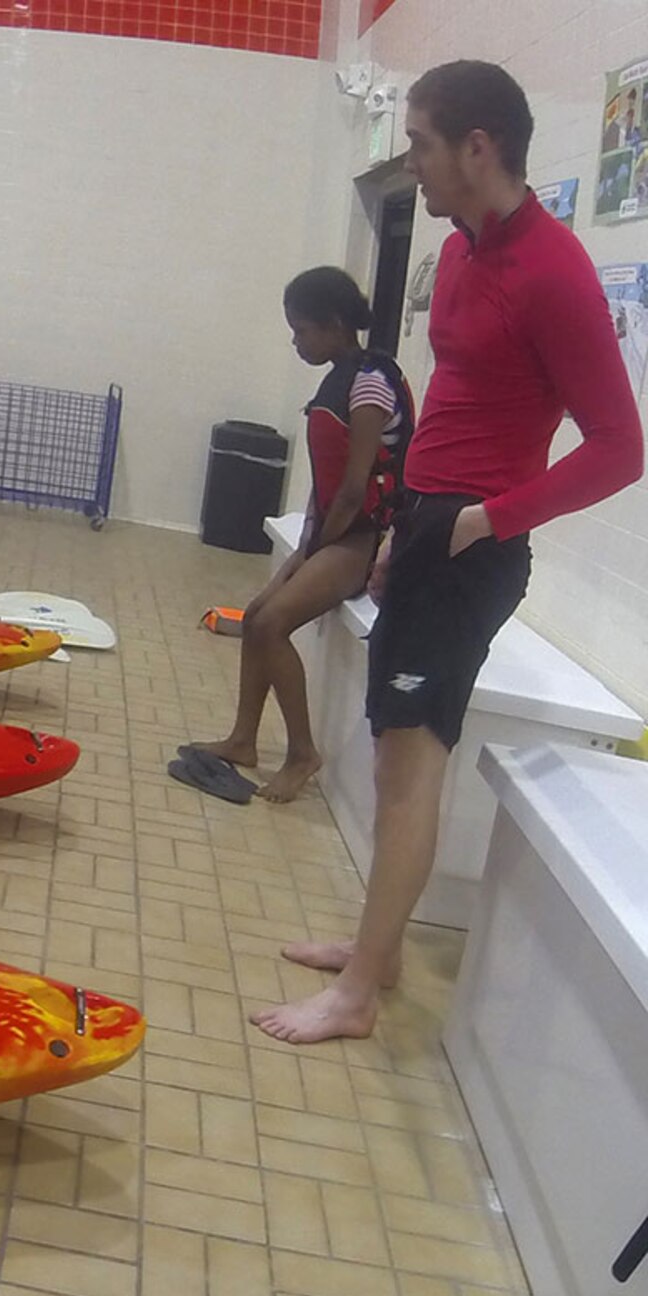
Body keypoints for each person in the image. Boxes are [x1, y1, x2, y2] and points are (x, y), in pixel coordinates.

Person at [254, 61, 644, 1045]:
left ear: (476, 147)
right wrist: (399, 527)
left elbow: (618, 449)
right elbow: (451, 409)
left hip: (471, 544)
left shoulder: (552, 271)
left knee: (409, 771)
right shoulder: (466, 255)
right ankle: (372, 954)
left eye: (419, 142)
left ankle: (356, 999)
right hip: (427, 528)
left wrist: (482, 521)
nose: (409, 164)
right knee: (391, 758)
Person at [186, 267, 414, 803]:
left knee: (272, 625)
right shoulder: (339, 374)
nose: (295, 342)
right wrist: (302, 552)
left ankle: (302, 753)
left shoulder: (370, 382)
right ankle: (243, 739)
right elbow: (329, 488)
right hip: (335, 533)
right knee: (256, 613)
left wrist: (312, 551)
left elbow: (356, 491)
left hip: (366, 541)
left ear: (334, 325)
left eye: (301, 331)